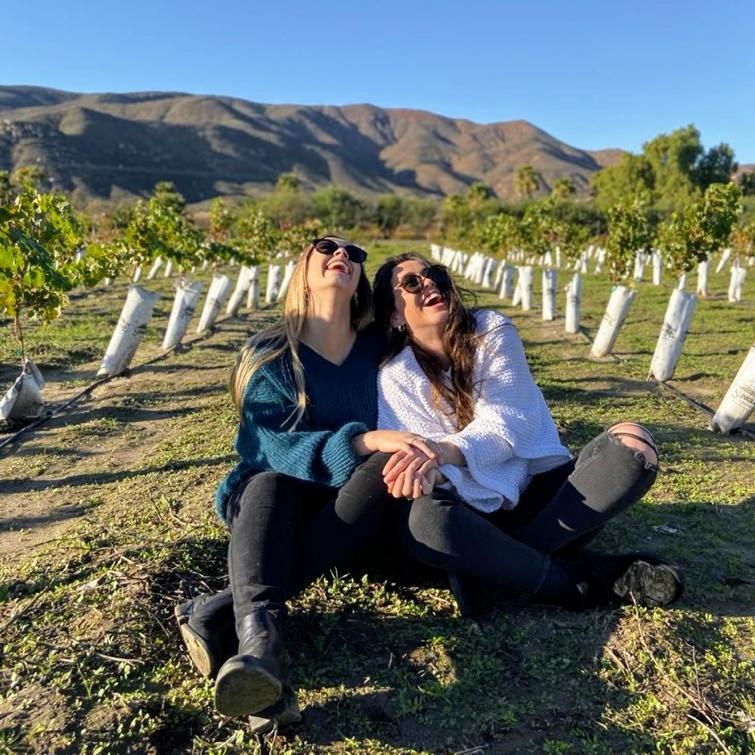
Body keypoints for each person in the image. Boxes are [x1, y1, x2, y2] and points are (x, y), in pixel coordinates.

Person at [175, 237, 438, 727]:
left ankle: (219, 615)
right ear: (302, 270)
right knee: (273, 480)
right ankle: (262, 646)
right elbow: (270, 445)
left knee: (385, 469)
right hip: (272, 506)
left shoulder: (380, 350)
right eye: (326, 247)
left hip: (353, 511)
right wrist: (362, 440)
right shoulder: (271, 354)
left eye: (355, 254)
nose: (343, 255)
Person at [372, 253, 683, 614]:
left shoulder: (490, 330)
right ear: (394, 315)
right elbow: (423, 467)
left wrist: (441, 453)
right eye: (411, 283)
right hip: (472, 514)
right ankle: (576, 581)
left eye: (434, 275)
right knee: (424, 521)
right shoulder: (395, 377)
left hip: (539, 495)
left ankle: (498, 573)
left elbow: (509, 420)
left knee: (633, 444)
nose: (428, 284)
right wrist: (430, 468)